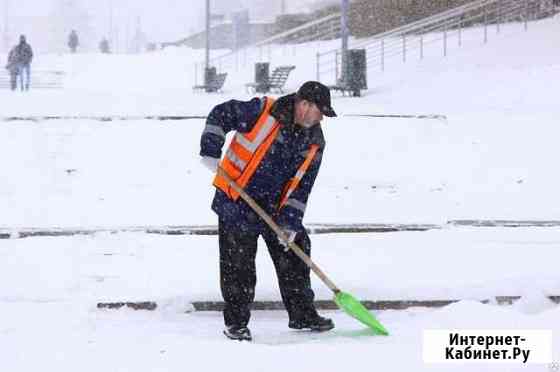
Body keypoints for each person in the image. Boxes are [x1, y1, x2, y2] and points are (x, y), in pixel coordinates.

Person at [199, 81, 337, 341]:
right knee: (238, 266)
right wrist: (210, 148)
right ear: (304, 105)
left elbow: (301, 189)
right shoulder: (263, 110)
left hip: (275, 209)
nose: (322, 118)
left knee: (296, 254)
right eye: (320, 111)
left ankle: (302, 315)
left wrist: (291, 224)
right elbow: (220, 113)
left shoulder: (315, 140)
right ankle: (237, 323)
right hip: (237, 201)